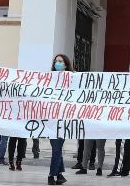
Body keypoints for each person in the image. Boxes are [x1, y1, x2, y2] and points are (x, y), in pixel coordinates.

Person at [47, 54, 73, 185]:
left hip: (63, 121)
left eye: (60, 61)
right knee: (56, 149)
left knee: (56, 149)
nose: (57, 63)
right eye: (56, 61)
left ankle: (52, 175)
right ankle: (60, 174)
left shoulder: (73, 79)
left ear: (66, 65)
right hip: (51, 120)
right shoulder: (48, 79)